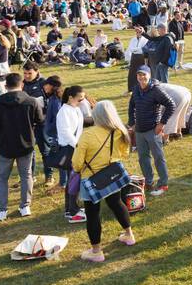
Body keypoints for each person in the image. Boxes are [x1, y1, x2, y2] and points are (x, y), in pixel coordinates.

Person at [74, 99, 137, 263]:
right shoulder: (119, 131)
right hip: (112, 175)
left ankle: (96, 251)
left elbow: (77, 164)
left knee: (92, 214)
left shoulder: (87, 134)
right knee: (116, 203)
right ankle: (129, 235)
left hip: (91, 178)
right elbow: (124, 154)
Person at [0, 72, 44, 221]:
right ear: (21, 84)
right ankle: (25, 206)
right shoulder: (31, 101)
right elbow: (40, 120)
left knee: (2, 178)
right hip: (25, 144)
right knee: (26, 175)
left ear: (5, 86)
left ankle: (2, 210)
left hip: (4, 145)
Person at [128, 65, 174, 197]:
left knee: (158, 157)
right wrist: (132, 123)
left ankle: (163, 183)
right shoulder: (136, 89)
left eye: (144, 74)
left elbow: (171, 105)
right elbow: (131, 106)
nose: (141, 77)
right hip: (139, 131)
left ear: (149, 75)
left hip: (153, 130)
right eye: (139, 75)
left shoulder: (156, 90)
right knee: (143, 158)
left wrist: (162, 123)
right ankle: (148, 182)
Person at [54, 84, 87, 221]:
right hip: (69, 149)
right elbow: (66, 132)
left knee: (74, 179)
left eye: (83, 99)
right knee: (73, 180)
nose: (82, 102)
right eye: (80, 99)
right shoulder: (64, 111)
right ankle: (72, 211)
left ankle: (71, 208)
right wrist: (78, 146)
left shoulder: (76, 109)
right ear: (70, 97)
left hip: (75, 147)